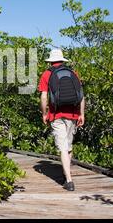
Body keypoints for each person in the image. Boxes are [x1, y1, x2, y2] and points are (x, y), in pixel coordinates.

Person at [38, 49, 85, 191]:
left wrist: (44, 113)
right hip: (72, 114)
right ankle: (66, 174)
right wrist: (81, 114)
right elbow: (81, 95)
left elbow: (44, 97)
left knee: (63, 147)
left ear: (51, 61)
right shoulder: (73, 73)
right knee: (68, 146)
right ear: (63, 60)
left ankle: (69, 181)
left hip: (56, 115)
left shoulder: (47, 74)